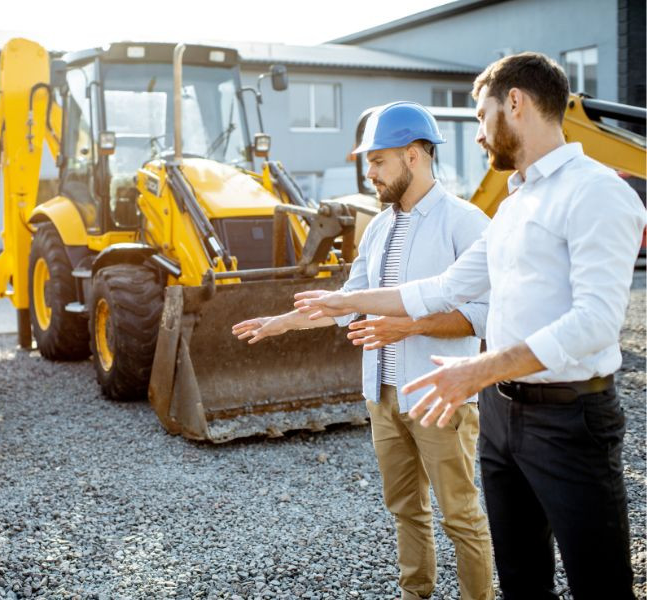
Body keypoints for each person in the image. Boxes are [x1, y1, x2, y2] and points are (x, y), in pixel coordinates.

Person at [295, 52, 646, 600]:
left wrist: (477, 368)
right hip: (503, 416)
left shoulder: (596, 192)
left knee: (598, 583)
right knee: (522, 580)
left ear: (515, 103)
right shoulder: (514, 205)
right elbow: (442, 287)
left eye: (482, 117)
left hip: (571, 418)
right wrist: (341, 301)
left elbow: (597, 323)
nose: (479, 135)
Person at [233, 102, 494, 600]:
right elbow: (346, 302)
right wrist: (280, 324)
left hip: (440, 396)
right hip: (382, 396)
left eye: (378, 161)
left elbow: (482, 316)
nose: (368, 173)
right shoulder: (377, 228)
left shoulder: (465, 222)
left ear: (414, 156)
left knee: (460, 515)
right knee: (405, 511)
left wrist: (406, 328)